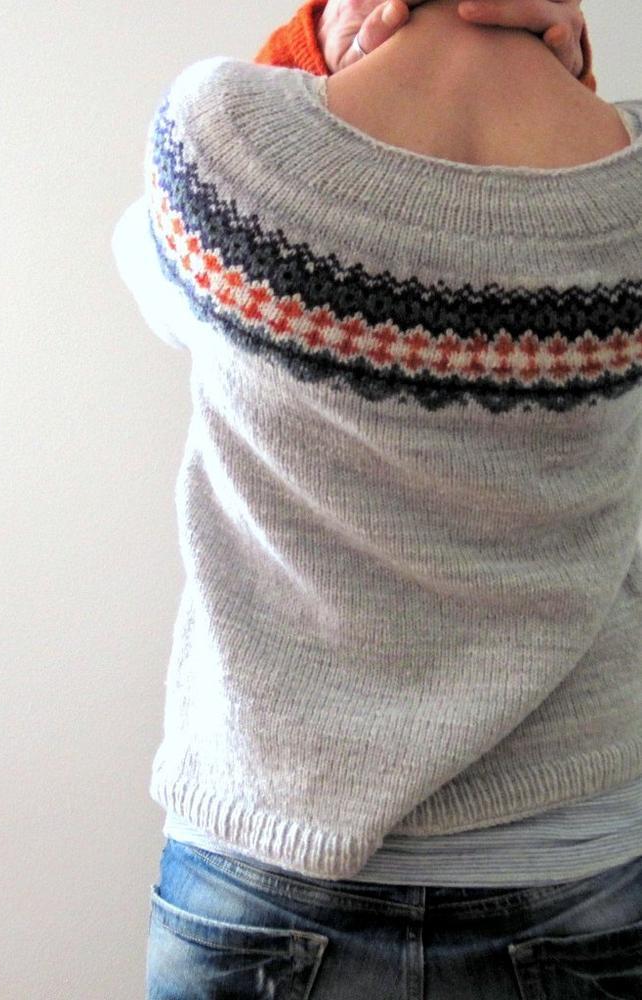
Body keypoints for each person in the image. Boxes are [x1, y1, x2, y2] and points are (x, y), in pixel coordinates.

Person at [111, 0, 642, 995]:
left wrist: (312, 50)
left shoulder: (225, 132)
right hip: (572, 872)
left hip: (263, 859)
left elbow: (148, 270)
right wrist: (566, 81)